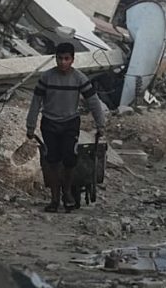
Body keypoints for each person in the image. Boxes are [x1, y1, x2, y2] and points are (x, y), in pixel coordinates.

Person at [26, 42, 106, 212]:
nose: (63, 62)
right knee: (52, 161)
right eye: (60, 58)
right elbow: (36, 101)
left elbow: (93, 101)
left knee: (70, 158)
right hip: (50, 123)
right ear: (55, 59)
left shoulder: (79, 78)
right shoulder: (47, 77)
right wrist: (30, 125)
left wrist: (101, 125)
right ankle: (55, 198)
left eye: (66, 59)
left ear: (72, 59)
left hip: (70, 122)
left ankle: (67, 192)